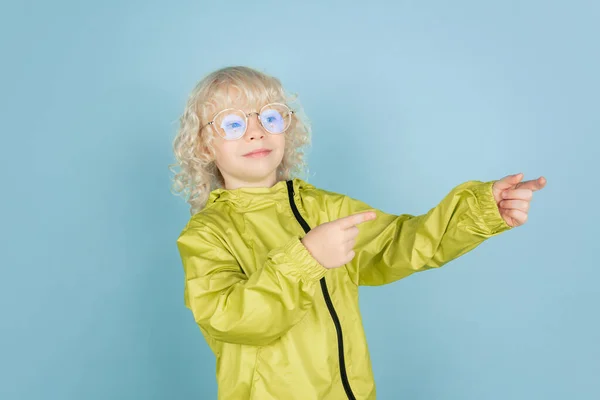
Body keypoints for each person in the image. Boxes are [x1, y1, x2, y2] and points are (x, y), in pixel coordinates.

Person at [169, 66, 546, 400]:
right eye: (233, 124)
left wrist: (480, 209)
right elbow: (230, 318)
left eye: (269, 118)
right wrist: (306, 258)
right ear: (204, 145)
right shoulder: (207, 234)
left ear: (288, 128)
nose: (256, 133)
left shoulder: (325, 209)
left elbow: (400, 244)